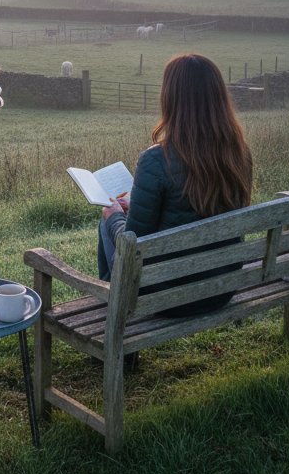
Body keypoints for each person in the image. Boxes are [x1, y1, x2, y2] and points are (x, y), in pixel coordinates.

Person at [97, 52, 253, 317]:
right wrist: (137, 206)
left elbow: (132, 245)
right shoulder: (239, 154)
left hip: (165, 296)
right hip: (220, 289)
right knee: (118, 216)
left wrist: (113, 218)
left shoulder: (156, 159)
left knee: (107, 219)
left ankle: (117, 312)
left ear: (171, 99)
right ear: (219, 99)